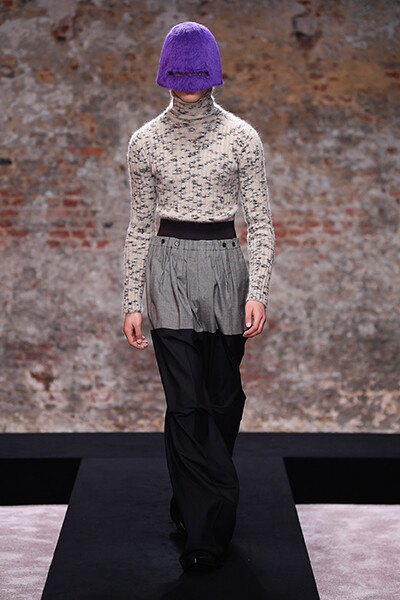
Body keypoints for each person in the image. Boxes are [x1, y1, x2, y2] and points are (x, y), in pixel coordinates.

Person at [122, 21, 275, 572]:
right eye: (179, 69)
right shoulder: (144, 141)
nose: (188, 79)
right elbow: (140, 223)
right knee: (186, 402)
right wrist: (132, 299)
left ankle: (189, 500)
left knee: (223, 401)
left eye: (196, 68)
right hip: (167, 268)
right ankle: (207, 534)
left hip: (225, 268)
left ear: (212, 71)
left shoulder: (242, 136)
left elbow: (260, 221)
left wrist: (258, 290)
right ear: (166, 72)